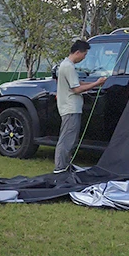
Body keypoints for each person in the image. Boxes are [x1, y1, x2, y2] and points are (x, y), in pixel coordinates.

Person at [53, 39, 106, 174]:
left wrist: (92, 83)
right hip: (70, 108)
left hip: (70, 108)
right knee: (67, 139)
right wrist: (97, 84)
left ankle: (65, 165)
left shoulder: (65, 65)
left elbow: (77, 82)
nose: (84, 57)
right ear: (77, 52)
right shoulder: (68, 66)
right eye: (84, 54)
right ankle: (60, 168)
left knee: (70, 138)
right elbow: (76, 89)